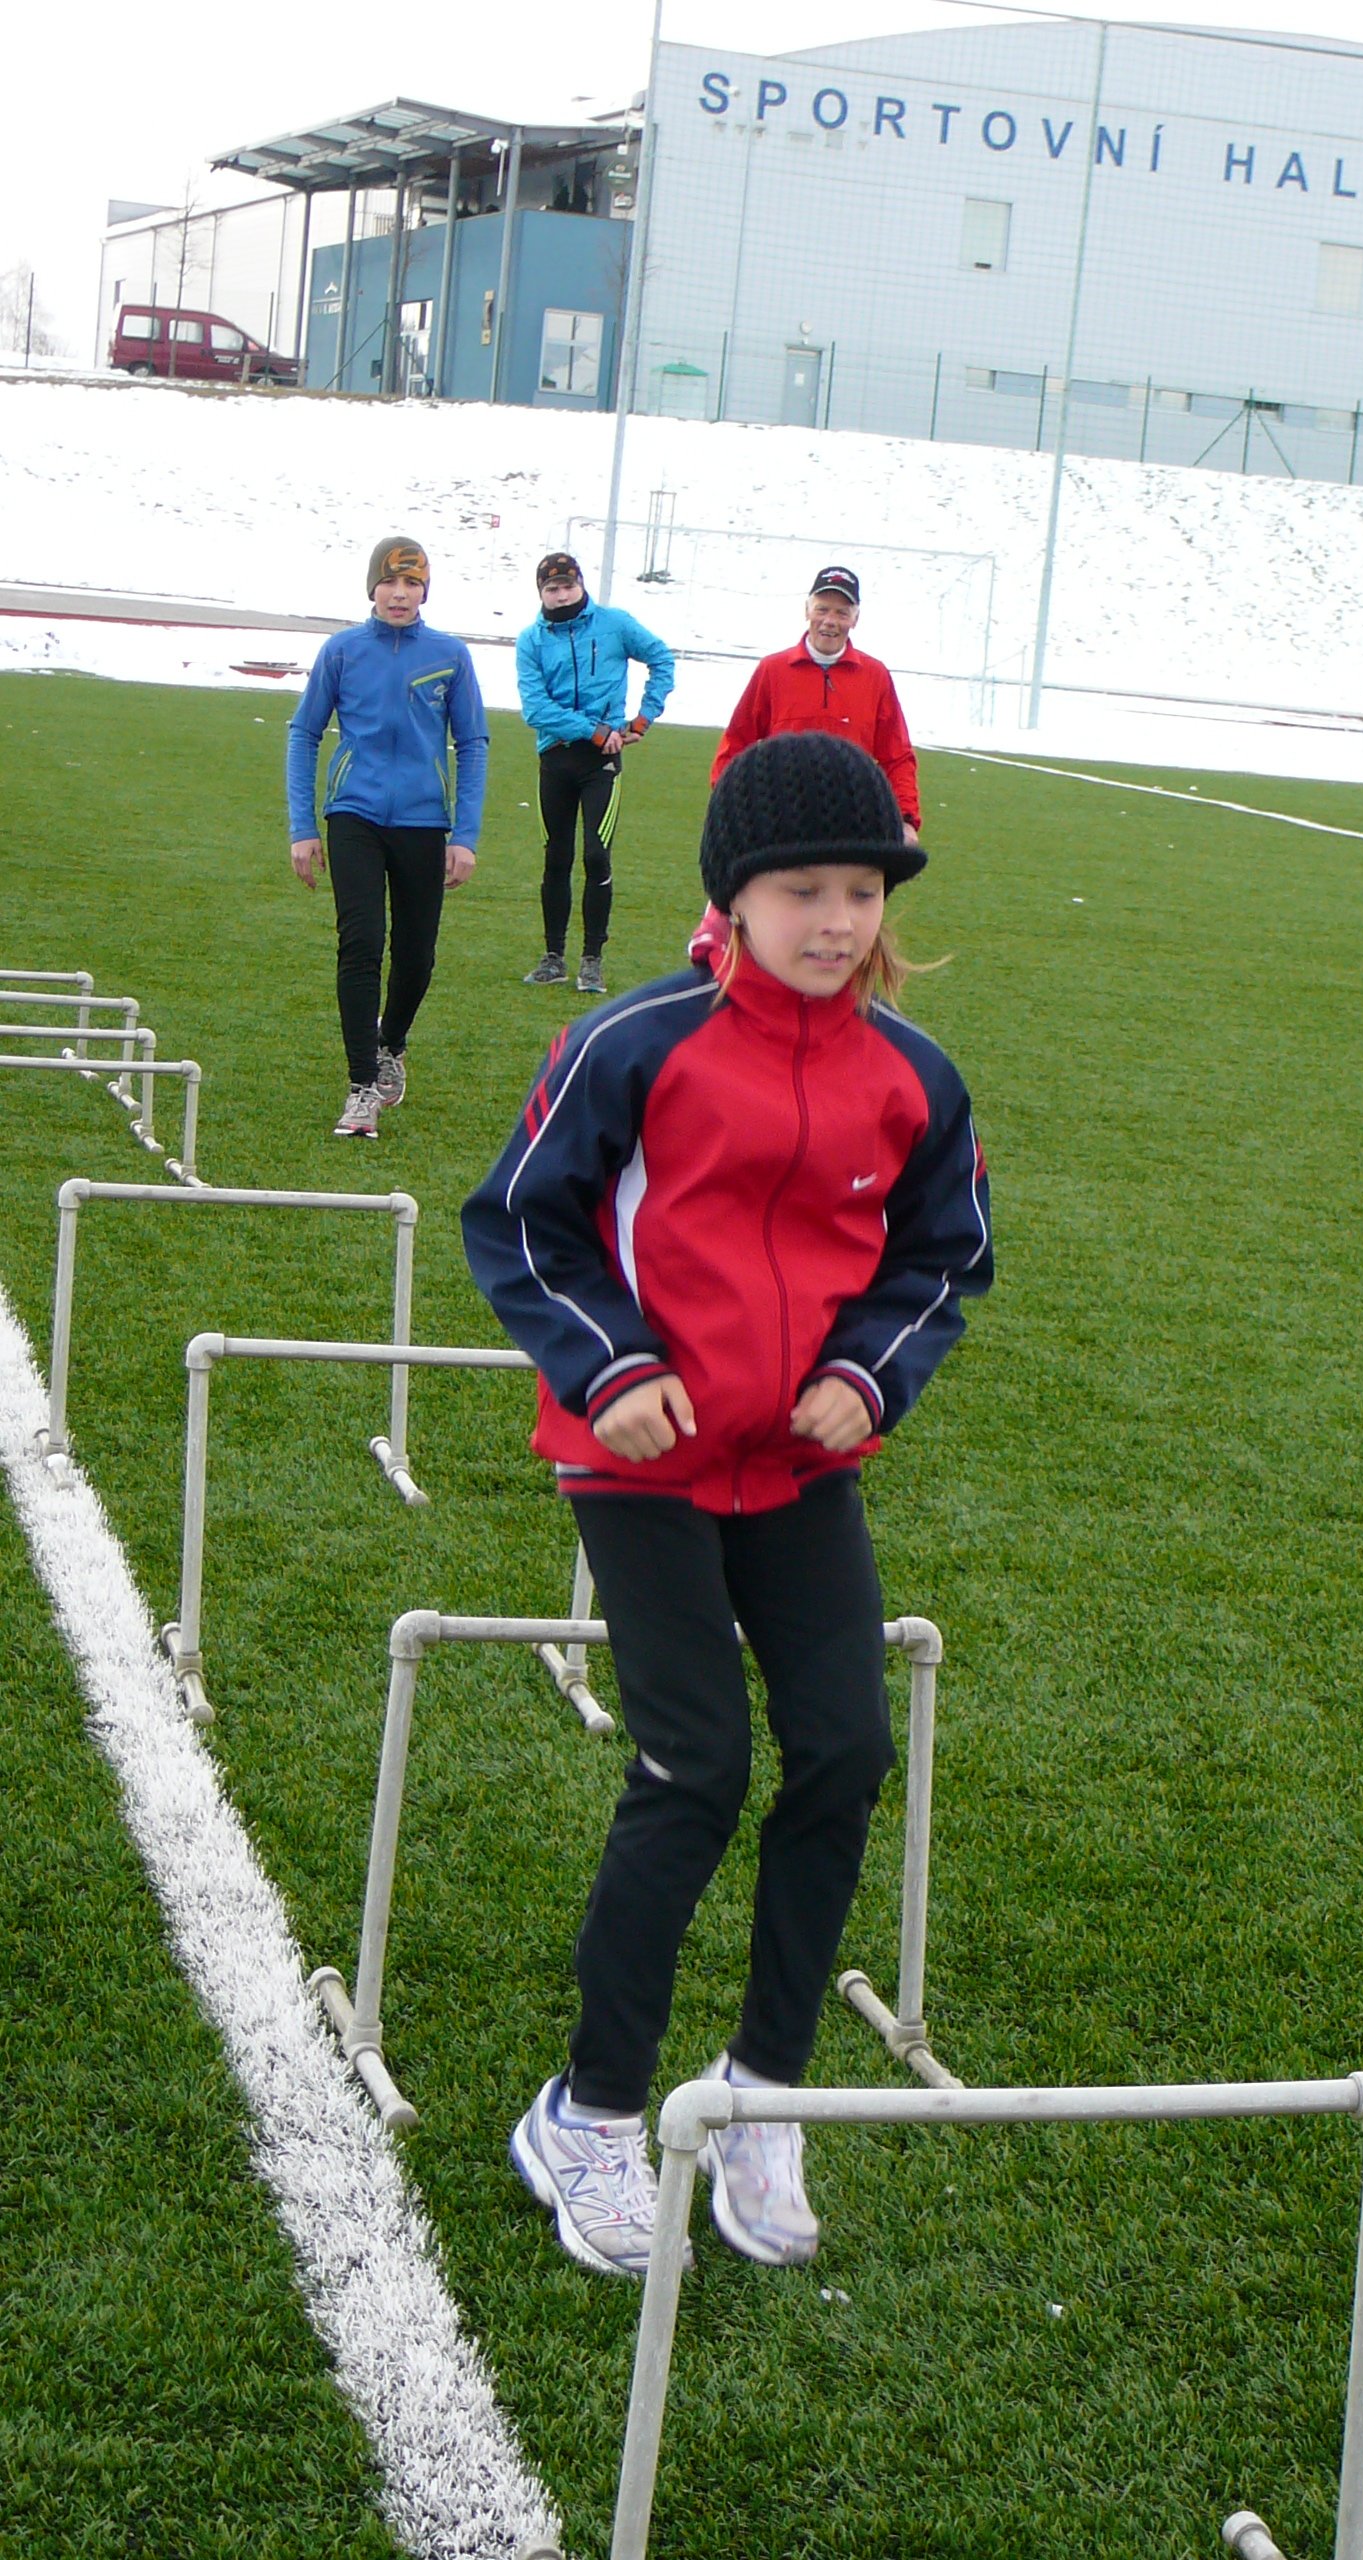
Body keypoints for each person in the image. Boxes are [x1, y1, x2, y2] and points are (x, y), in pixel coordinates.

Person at [462, 731, 991, 2277]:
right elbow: (523, 1221)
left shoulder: (914, 1076)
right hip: (642, 1455)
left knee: (847, 1749)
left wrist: (871, 1376)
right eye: (801, 890)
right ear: (735, 897)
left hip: (798, 1466)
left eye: (860, 892)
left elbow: (944, 1256)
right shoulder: (635, 1042)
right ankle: (591, 2113)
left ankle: (764, 2093)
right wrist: (609, 1366)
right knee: (694, 1766)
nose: (834, 920)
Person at [287, 536, 488, 1137]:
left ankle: (390, 1043)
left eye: (412, 583)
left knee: (417, 953)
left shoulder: (450, 655)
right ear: (372, 587)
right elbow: (304, 734)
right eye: (390, 582)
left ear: (425, 590)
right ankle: (361, 1088)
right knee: (361, 943)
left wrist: (465, 834)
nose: (400, 594)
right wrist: (303, 827)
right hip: (354, 814)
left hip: (425, 822)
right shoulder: (342, 651)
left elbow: (473, 744)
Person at [515, 551, 676, 997]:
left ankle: (592, 962)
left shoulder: (614, 624)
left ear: (581, 584)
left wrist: (644, 717)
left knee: (596, 856)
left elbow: (662, 659)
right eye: (552, 588)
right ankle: (553, 958)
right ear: (541, 593)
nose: (562, 595)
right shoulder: (531, 640)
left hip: (601, 762)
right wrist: (593, 729)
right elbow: (535, 709)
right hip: (556, 758)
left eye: (568, 586)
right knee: (556, 857)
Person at [711, 566, 920, 839]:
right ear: (807, 611)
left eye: (842, 613)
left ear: (855, 619)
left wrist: (906, 819)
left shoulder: (875, 675)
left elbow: (897, 755)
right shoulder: (772, 670)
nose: (830, 621)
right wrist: (727, 804)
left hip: (852, 820)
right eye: (822, 609)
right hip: (782, 819)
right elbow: (737, 742)